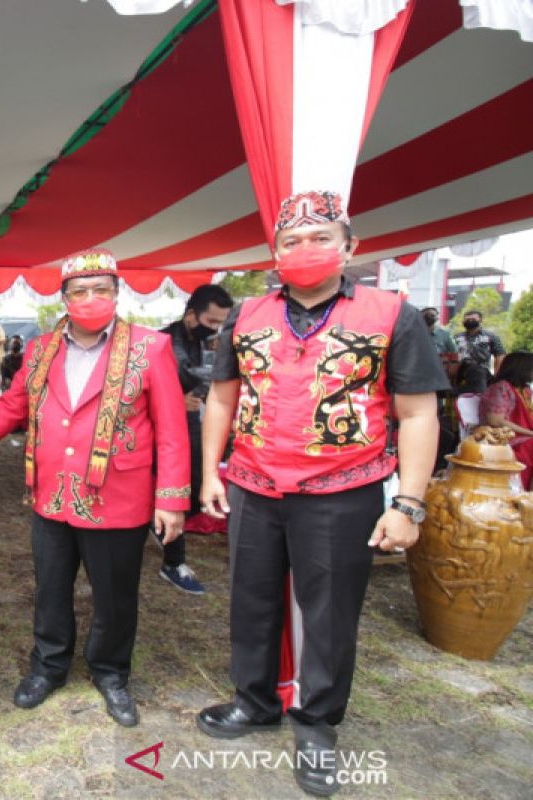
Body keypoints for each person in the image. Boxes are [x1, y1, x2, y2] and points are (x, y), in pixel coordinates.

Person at [196, 191, 445, 796]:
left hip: (345, 490)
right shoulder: (247, 314)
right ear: (273, 254)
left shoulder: (392, 314)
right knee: (251, 602)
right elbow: (222, 399)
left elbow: (418, 414)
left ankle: (318, 723)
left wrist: (408, 503)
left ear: (349, 247)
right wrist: (210, 473)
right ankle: (253, 701)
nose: (305, 250)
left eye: (321, 238)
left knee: (331, 614)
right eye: (291, 241)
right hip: (253, 484)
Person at [0, 248, 190, 728]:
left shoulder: (150, 348)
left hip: (119, 498)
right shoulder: (40, 349)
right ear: (64, 298)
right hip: (51, 495)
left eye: (101, 290)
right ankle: (48, 667)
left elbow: (172, 429)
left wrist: (171, 501)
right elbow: (11, 408)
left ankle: (111, 672)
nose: (91, 299)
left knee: (115, 596)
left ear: (116, 294)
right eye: (80, 291)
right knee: (50, 590)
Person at [158, 284, 234, 595]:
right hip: (160, 434)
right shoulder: (161, 342)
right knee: (172, 490)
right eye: (212, 322)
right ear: (191, 316)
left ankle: (162, 534)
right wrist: (177, 398)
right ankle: (174, 563)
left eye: (222, 323)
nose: (216, 329)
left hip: (192, 430)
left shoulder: (212, 344)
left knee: (190, 489)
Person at [480, 351, 533, 489]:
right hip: (502, 438)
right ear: (521, 368)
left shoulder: (525, 389)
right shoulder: (501, 387)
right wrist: (529, 433)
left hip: (523, 436)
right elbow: (495, 420)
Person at [454, 309, 505, 377]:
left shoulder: (490, 336)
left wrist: (497, 376)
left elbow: (500, 355)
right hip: (460, 374)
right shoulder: (456, 337)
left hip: (482, 374)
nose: (470, 321)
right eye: (467, 319)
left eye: (473, 319)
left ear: (480, 320)